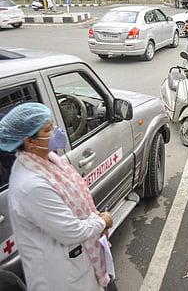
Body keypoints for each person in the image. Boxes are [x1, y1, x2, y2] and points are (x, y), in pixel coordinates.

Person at [0, 102, 114, 291]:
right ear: (30, 141)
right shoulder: (31, 186)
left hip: (81, 265)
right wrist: (103, 222)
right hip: (64, 277)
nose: (56, 131)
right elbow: (72, 231)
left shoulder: (48, 160)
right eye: (48, 129)